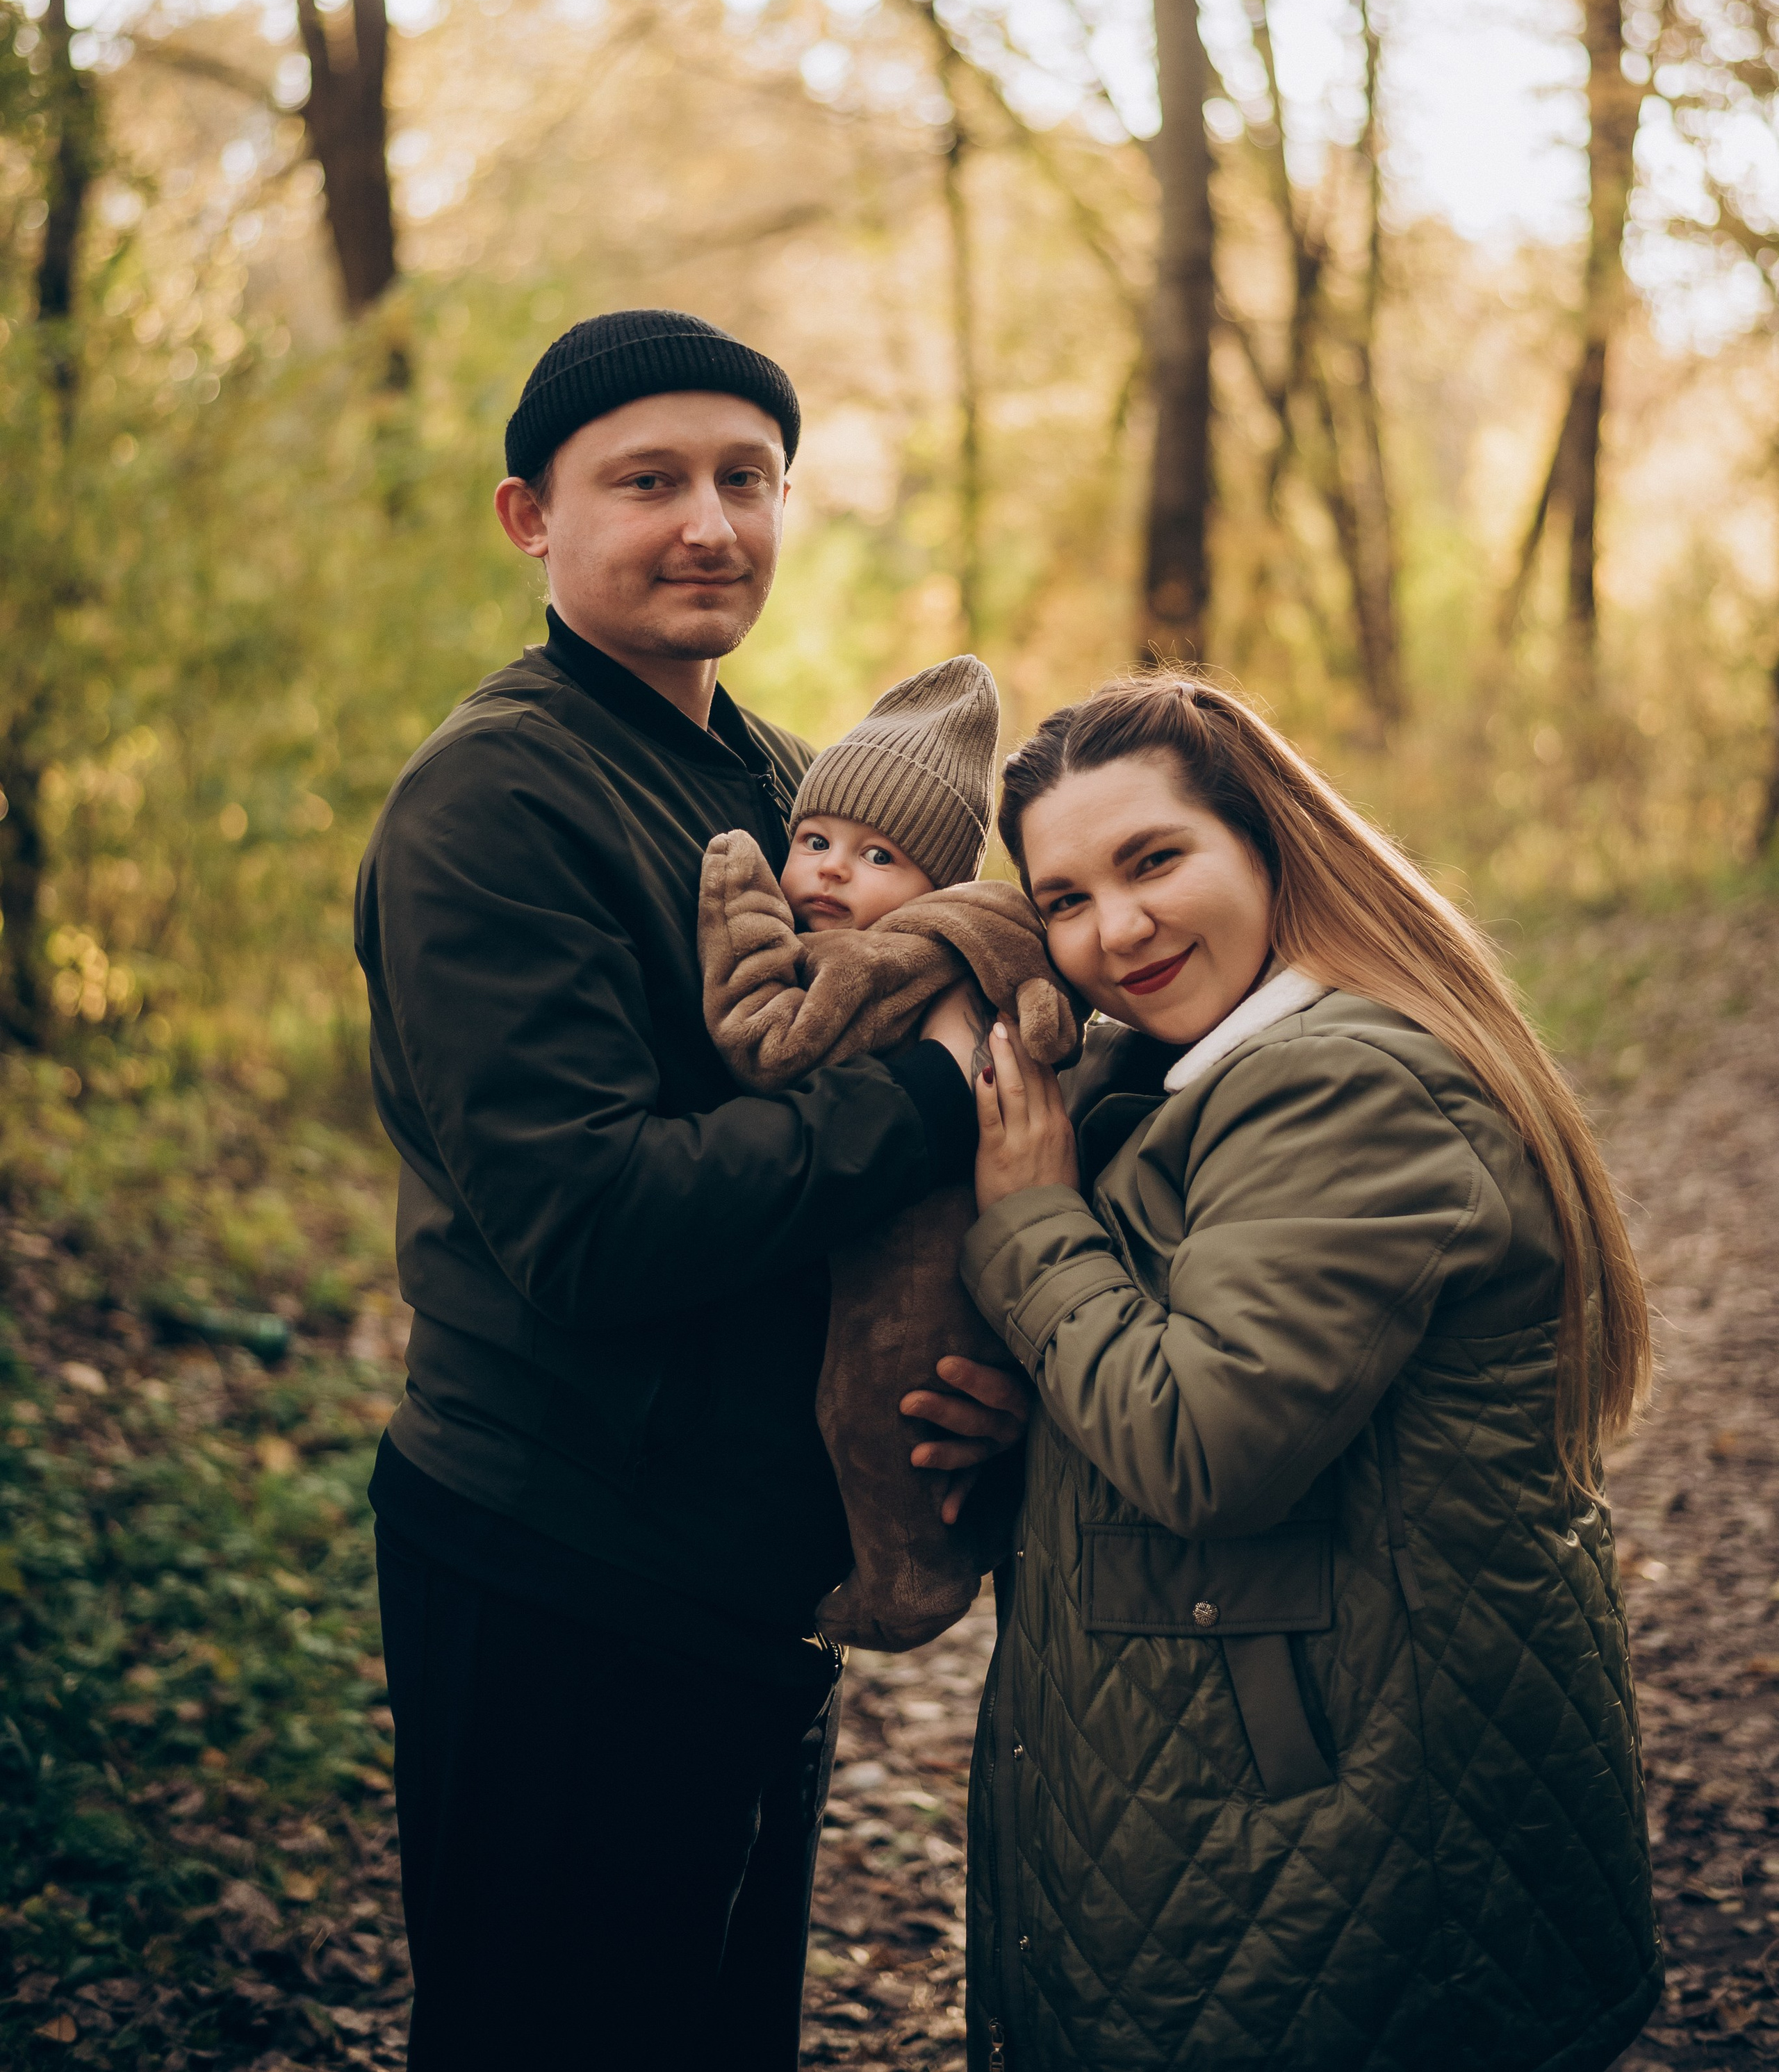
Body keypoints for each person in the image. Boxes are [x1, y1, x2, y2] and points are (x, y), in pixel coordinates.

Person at [352, 309, 1024, 2072]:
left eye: (747, 477)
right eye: (646, 480)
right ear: (529, 516)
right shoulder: (494, 800)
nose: (708, 523)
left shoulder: (783, 779)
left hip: (736, 1567)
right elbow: (596, 1223)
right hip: (566, 1555)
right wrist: (930, 1096)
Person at [953, 675, 1661, 2072]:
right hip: (1237, 1801)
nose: (1117, 929)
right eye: (1065, 898)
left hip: (1337, 1824)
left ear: (1267, 844)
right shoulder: (1179, 1086)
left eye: (1153, 860)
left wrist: (1027, 1221)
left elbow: (1201, 1448)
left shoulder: (1337, 1083)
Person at [698, 656, 1078, 1652]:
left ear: (935, 884)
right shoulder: (972, 932)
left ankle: (907, 1585)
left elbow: (772, 1047)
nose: (829, 869)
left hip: (920, 1245)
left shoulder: (877, 963)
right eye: (815, 839)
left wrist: (740, 909)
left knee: (877, 1404)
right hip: (925, 1226)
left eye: (878, 858)